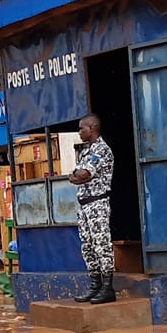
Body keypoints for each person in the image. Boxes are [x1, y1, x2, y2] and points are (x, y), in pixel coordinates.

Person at [67, 114, 117, 303]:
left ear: (93, 127)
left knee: (101, 245)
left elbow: (84, 174)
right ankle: (95, 286)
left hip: (98, 203)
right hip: (84, 205)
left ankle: (107, 288)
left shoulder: (101, 150)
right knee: (87, 247)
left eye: (82, 128)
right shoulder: (85, 152)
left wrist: (78, 175)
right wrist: (77, 175)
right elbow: (76, 176)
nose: (79, 132)